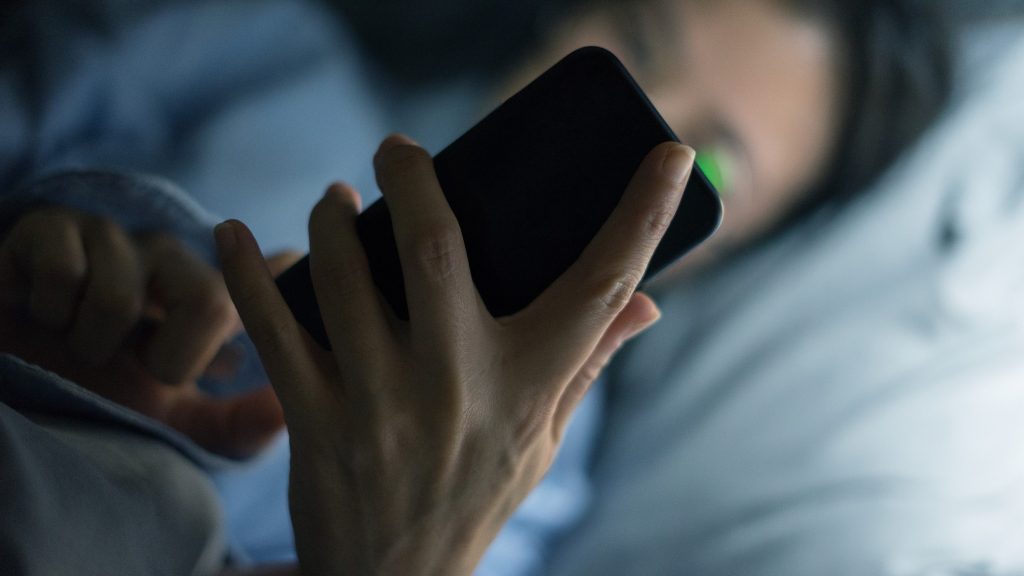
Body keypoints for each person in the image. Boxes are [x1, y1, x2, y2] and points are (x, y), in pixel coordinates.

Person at [2, 0, 1023, 574]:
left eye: (709, 170)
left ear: (729, 247)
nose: (648, 138)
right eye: (638, 43)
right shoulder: (264, 46)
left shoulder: (526, 497)